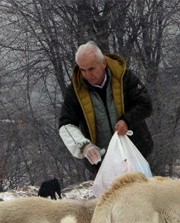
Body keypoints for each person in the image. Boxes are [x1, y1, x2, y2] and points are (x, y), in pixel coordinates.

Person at [58, 41, 154, 175]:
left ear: (103, 63)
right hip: (102, 162)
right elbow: (65, 125)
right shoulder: (74, 91)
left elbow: (146, 104)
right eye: (82, 70)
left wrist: (127, 121)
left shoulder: (124, 77)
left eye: (91, 69)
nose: (87, 75)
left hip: (135, 152)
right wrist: (84, 146)